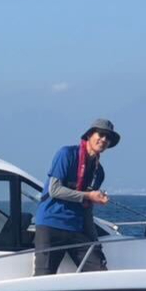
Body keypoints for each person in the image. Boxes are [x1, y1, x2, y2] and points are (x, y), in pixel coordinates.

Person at [33, 118, 119, 276]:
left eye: (108, 138)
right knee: (43, 277)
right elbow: (54, 190)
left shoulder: (99, 172)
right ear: (90, 135)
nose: (104, 139)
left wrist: (94, 241)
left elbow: (87, 209)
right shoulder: (66, 154)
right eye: (101, 134)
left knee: (100, 274)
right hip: (51, 224)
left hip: (77, 228)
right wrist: (89, 195)